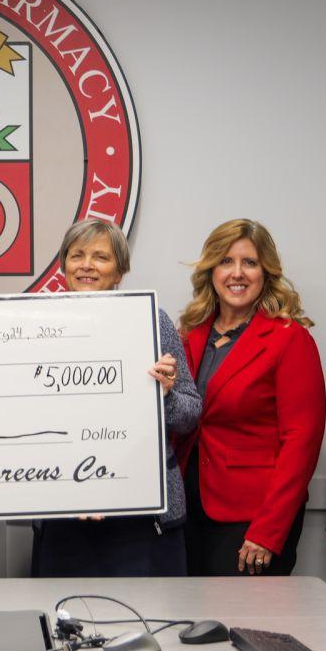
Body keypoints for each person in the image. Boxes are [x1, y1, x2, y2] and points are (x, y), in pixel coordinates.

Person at [30, 219, 201, 577]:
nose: (86, 265)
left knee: (150, 625)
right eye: (76, 256)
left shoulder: (154, 322)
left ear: (120, 270)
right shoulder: (33, 325)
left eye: (100, 257)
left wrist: (166, 395)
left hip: (142, 518)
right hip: (64, 508)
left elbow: (189, 415)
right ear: (62, 266)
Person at [176, 219, 325, 577]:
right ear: (211, 270)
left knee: (245, 629)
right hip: (190, 513)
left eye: (250, 263)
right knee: (192, 628)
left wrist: (268, 531)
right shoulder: (191, 333)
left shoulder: (290, 338)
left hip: (251, 521)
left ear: (266, 272)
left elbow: (301, 443)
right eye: (226, 261)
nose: (237, 273)